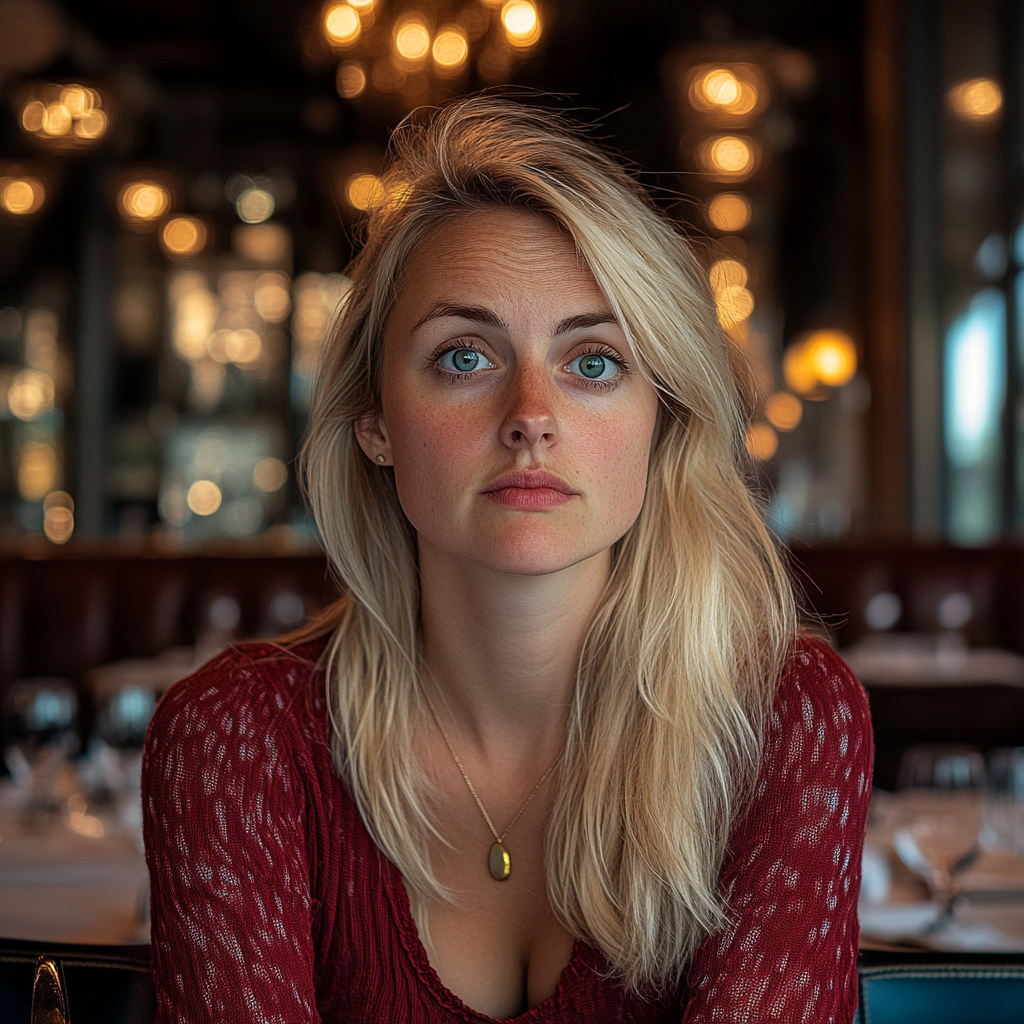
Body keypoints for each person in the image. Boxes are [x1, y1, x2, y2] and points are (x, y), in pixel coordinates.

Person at [142, 96, 872, 1023]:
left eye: (594, 362)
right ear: (374, 420)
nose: (532, 413)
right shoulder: (235, 741)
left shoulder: (785, 723)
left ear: (663, 417)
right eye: (463, 357)